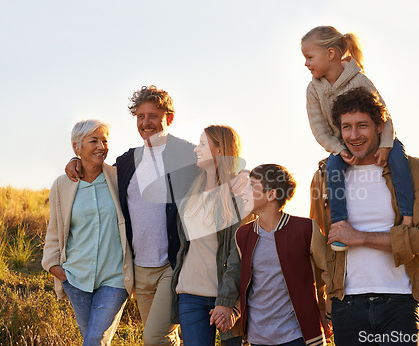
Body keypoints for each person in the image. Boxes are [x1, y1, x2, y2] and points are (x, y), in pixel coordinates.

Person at [309, 87, 419, 345]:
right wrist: (321, 300)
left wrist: (359, 237)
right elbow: (318, 243)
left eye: (362, 126)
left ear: (381, 127)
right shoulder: (325, 176)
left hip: (399, 301)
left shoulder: (412, 169)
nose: (353, 135)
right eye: (346, 127)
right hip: (345, 303)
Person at [66, 86, 198, 345]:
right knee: (163, 336)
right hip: (138, 269)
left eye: (152, 116)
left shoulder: (187, 154)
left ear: (168, 118)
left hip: (171, 265)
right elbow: (95, 170)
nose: (145, 123)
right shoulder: (127, 161)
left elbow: (221, 165)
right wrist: (75, 160)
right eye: (140, 116)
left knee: (154, 337)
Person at [301, 26, 414, 250]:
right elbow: (319, 128)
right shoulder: (313, 90)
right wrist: (337, 148)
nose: (306, 63)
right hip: (341, 143)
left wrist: (385, 145)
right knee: (334, 168)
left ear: (330, 54)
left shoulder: (360, 80)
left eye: (309, 57)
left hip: (379, 138)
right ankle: (340, 223)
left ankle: (407, 218)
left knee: (399, 161)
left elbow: (385, 117)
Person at [42, 119, 134, 345]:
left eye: (105, 140)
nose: (101, 146)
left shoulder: (118, 177)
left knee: (94, 340)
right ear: (77, 147)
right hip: (75, 278)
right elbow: (55, 230)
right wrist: (55, 268)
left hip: (114, 279)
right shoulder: (62, 185)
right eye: (93, 141)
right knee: (93, 340)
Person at [229, 163, 330, 346]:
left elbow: (329, 271)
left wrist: (328, 310)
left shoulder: (305, 229)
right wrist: (233, 310)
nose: (245, 191)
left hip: (298, 337)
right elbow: (246, 283)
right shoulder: (242, 235)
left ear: (271, 195)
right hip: (256, 339)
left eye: (252, 186)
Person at [171, 125, 250, 346]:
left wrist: (228, 301)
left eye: (203, 144)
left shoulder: (238, 193)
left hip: (227, 296)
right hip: (190, 293)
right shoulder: (191, 187)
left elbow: (239, 254)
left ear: (219, 149)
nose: (196, 149)